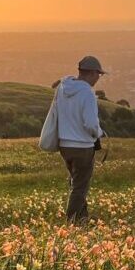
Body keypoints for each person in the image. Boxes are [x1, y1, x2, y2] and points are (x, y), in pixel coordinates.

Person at [53, 56, 106, 224]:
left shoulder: (63, 88)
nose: (99, 78)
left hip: (64, 145)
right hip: (82, 146)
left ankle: (83, 220)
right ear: (91, 73)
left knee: (76, 182)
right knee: (80, 187)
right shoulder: (87, 93)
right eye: (99, 74)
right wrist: (99, 132)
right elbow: (90, 123)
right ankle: (72, 223)